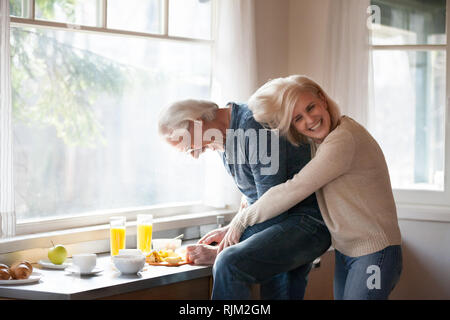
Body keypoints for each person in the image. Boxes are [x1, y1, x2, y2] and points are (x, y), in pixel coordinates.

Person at [219, 75, 403, 300]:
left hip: (375, 253)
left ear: (323, 100)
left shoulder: (343, 139)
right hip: (348, 252)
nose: (309, 120)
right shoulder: (322, 142)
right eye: (298, 118)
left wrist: (241, 221)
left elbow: (293, 189)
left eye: (311, 107)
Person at [158, 99, 331, 300]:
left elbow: (271, 203)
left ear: (197, 122)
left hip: (306, 223)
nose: (194, 156)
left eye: (188, 146)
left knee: (227, 263)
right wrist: (229, 229)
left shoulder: (254, 124)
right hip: (280, 223)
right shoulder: (224, 138)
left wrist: (223, 249)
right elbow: (253, 196)